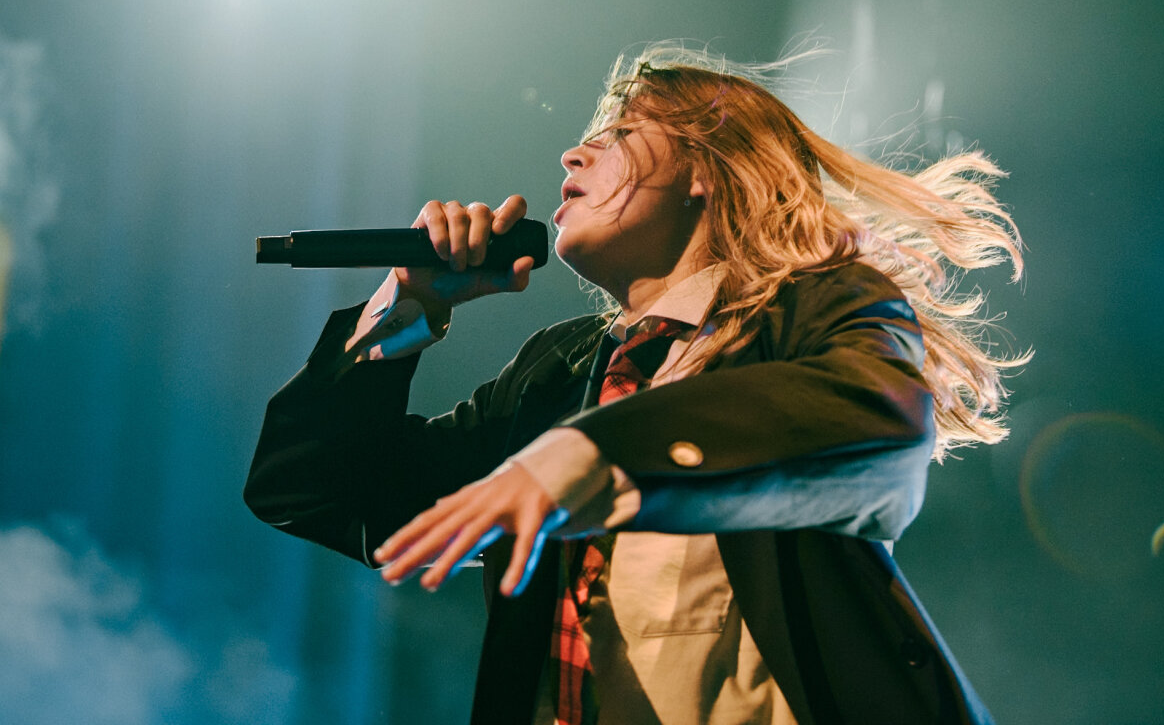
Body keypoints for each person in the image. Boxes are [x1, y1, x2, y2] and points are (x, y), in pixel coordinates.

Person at [245, 43, 1025, 725]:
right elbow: (312, 490)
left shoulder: (817, 309)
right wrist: (407, 302)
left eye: (618, 135)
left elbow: (874, 423)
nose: (570, 158)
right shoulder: (559, 375)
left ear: (708, 173)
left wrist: (592, 457)